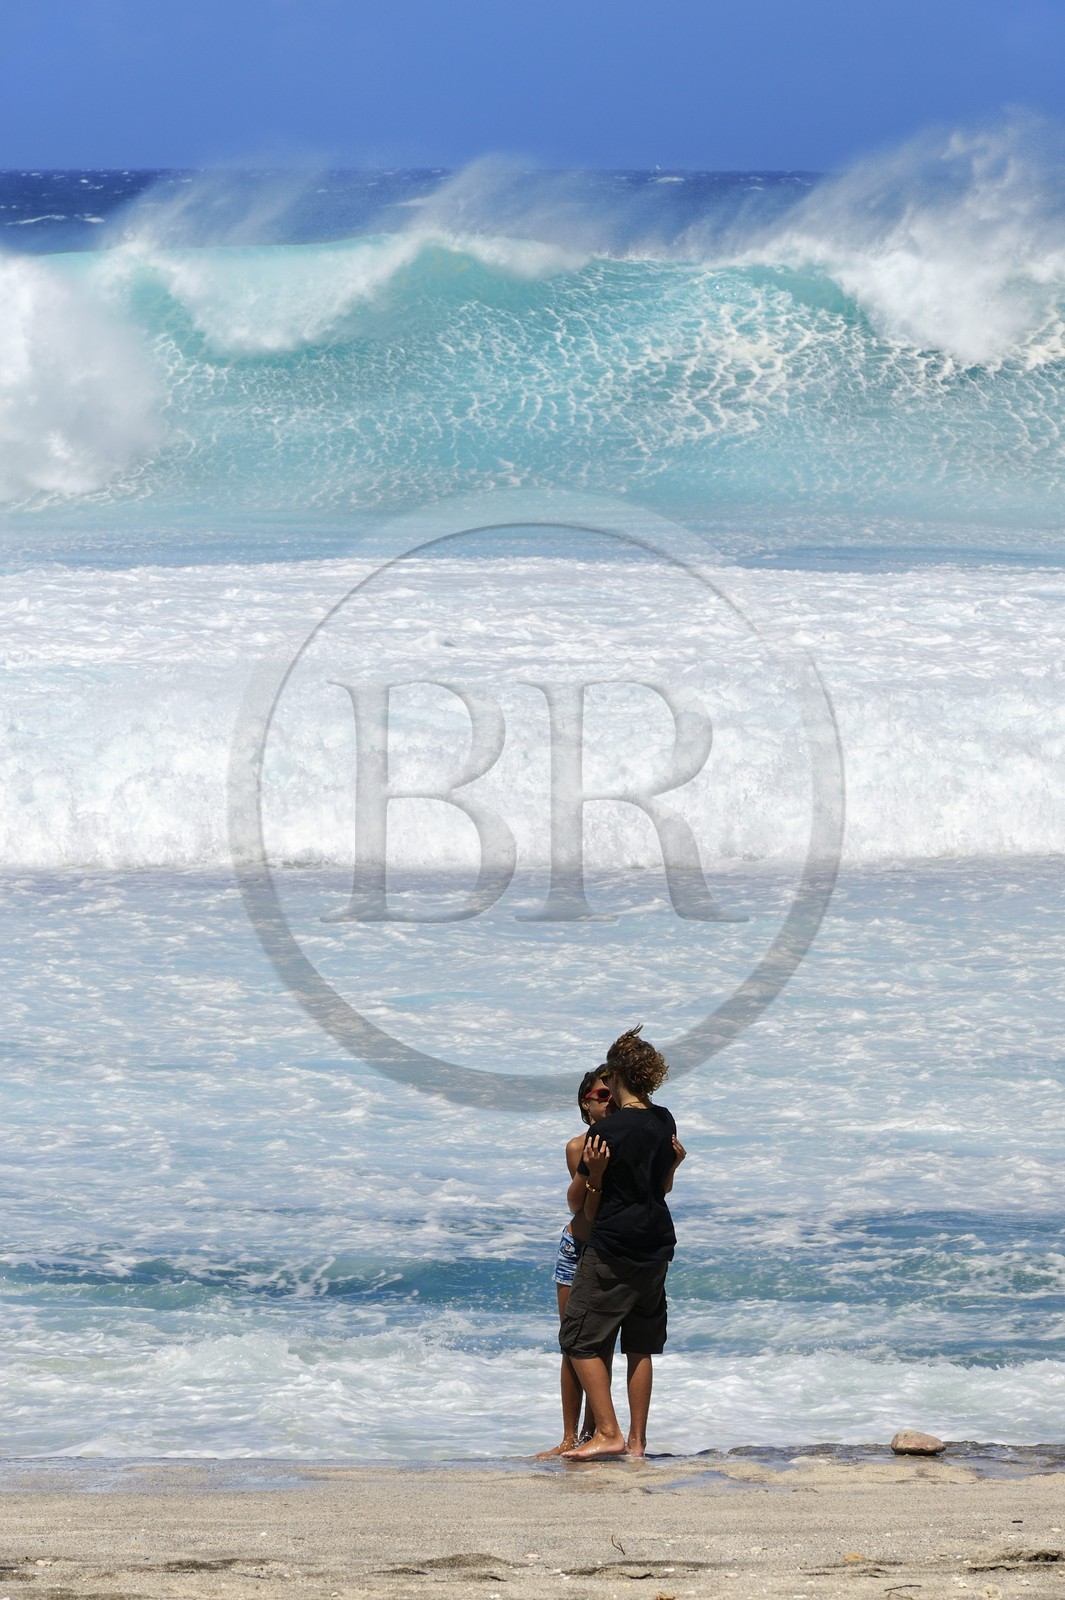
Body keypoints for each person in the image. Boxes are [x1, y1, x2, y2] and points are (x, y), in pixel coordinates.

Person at [559, 1025, 685, 1459]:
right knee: (640, 1344)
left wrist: (593, 1177)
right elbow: (661, 1188)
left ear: (615, 1077)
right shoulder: (664, 1119)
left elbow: (582, 1205)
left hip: (615, 1246)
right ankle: (636, 1443)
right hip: (657, 1245)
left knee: (578, 1339)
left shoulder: (605, 1136)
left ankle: (608, 1432)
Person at [536, 1067, 615, 1457]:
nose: (609, 1099)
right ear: (586, 1103)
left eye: (612, 1093)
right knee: (572, 1343)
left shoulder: (628, 1141)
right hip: (577, 1248)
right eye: (602, 1094)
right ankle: (570, 1437)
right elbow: (585, 1208)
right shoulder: (577, 1146)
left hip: (609, 1251)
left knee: (597, 1347)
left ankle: (595, 1434)